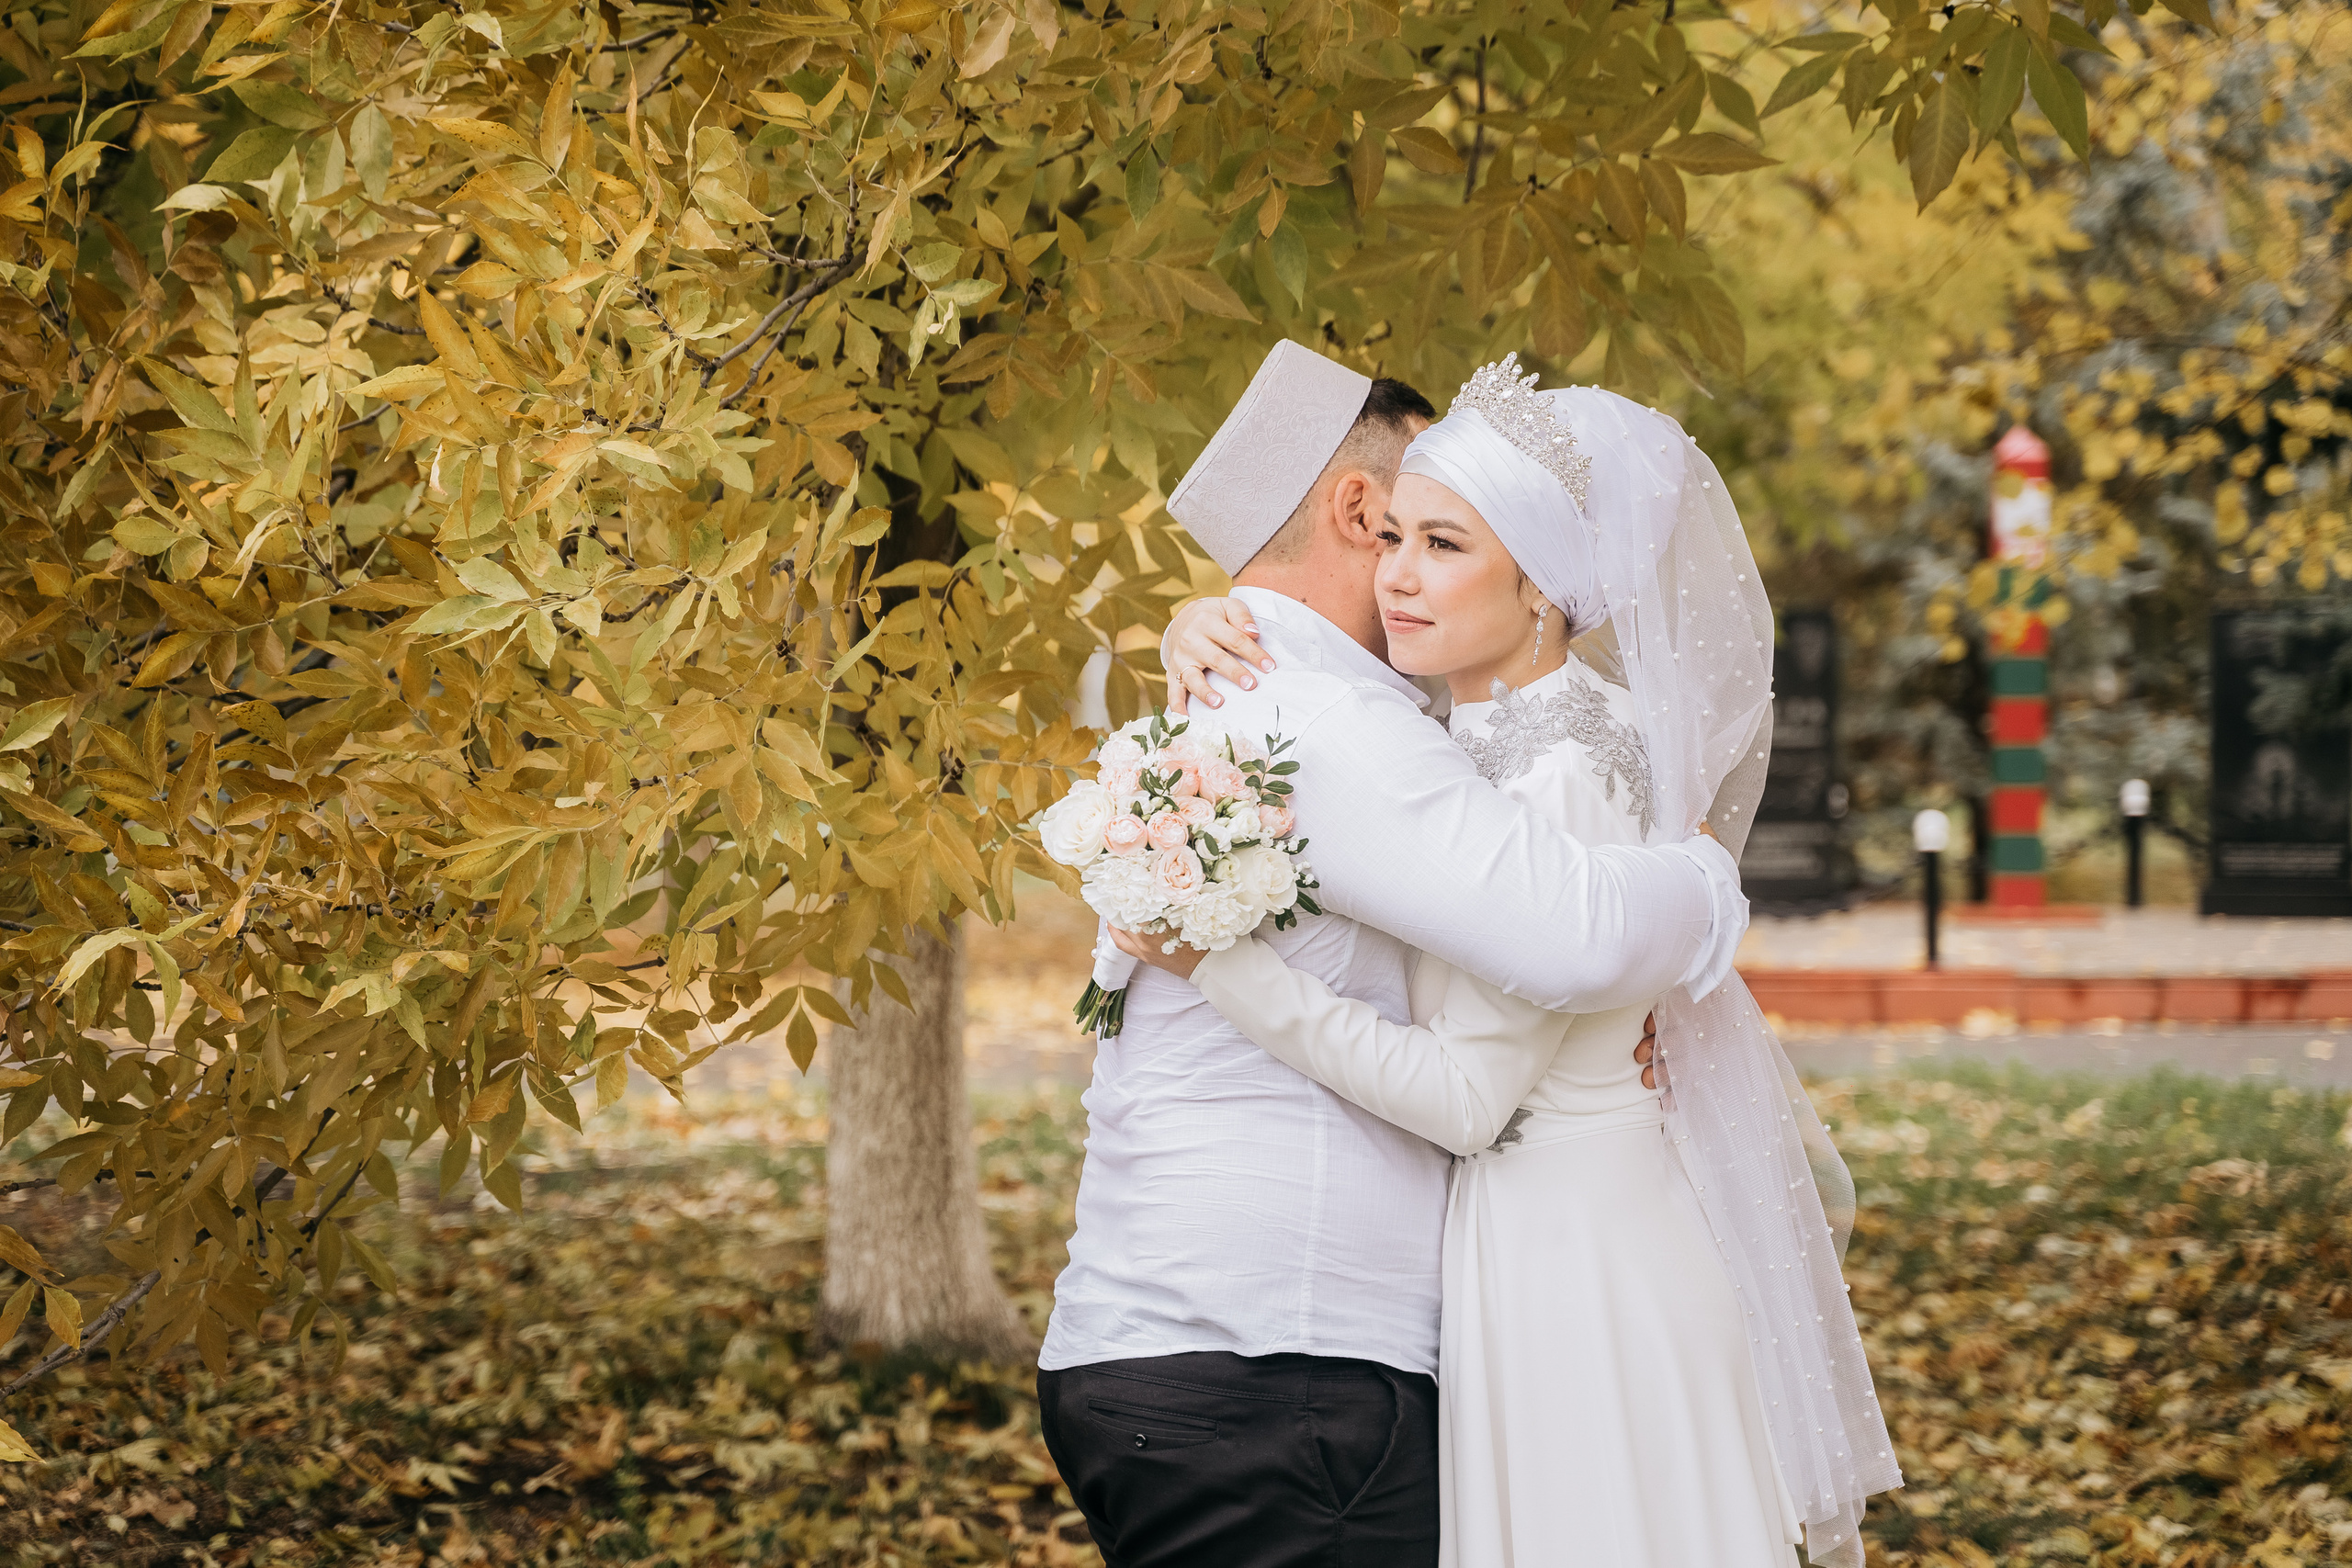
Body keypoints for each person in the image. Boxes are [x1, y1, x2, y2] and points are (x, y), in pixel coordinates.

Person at [1116, 357, 1901, 1566]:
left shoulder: (1556, 773)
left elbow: (1470, 1097)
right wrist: (1194, 617)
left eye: (1441, 545)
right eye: (1394, 539)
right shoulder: (1466, 731)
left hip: (1575, 1261)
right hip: (1540, 1247)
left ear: (1539, 585)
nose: (1398, 574)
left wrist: (1223, 961)